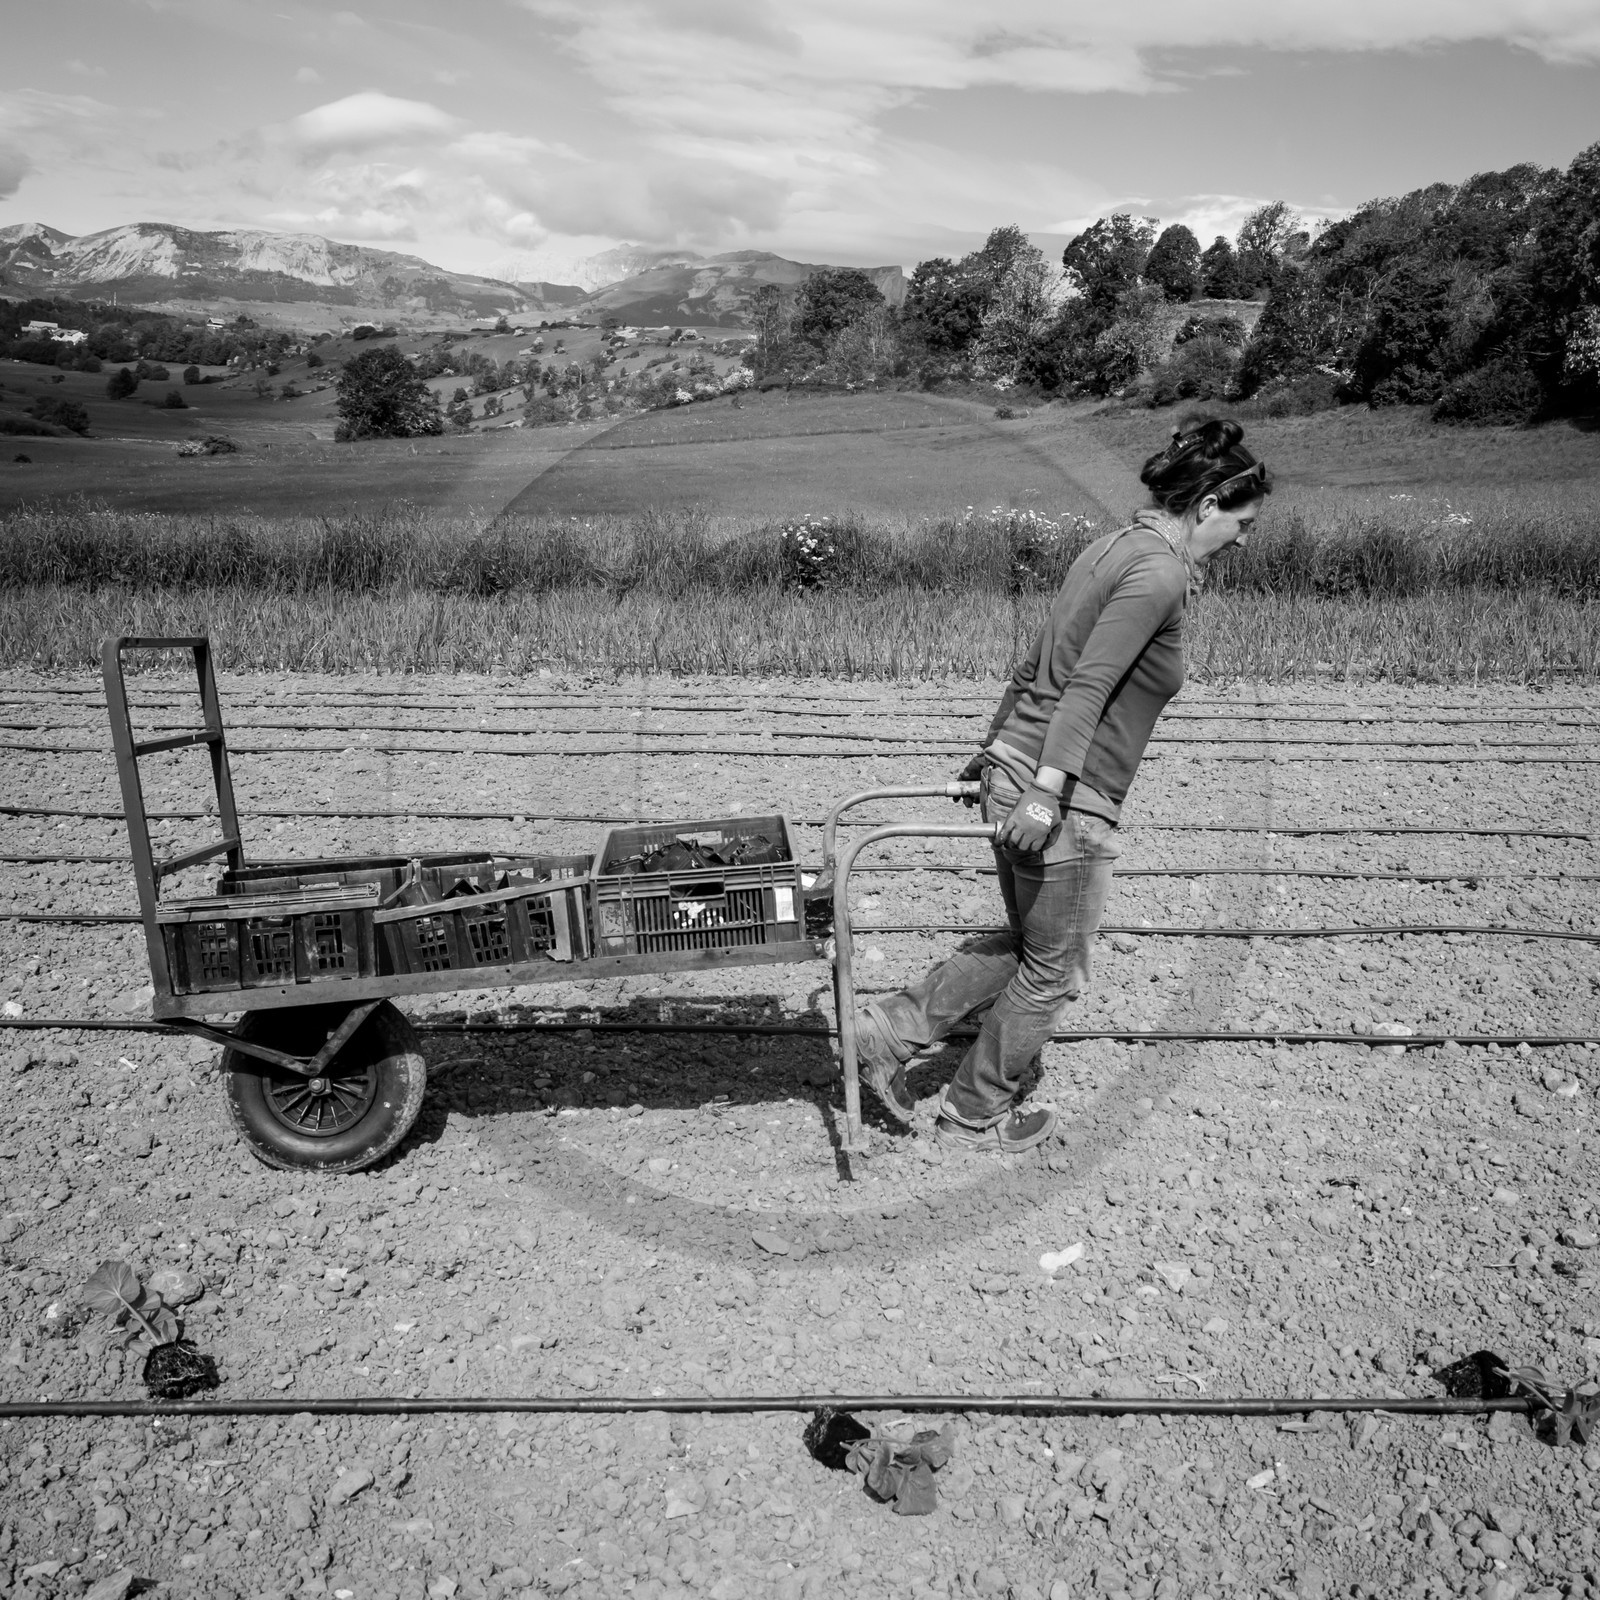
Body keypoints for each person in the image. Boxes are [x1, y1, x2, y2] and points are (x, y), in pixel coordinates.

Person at [855, 416, 1271, 1153]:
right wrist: (1047, 791)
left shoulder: (1110, 547)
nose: (1243, 539)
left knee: (1029, 943)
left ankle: (890, 1031)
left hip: (1018, 768)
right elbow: (1087, 685)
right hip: (1064, 794)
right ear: (1206, 504)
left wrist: (993, 749)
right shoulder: (1160, 572)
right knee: (1053, 969)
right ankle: (975, 1109)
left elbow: (1033, 665)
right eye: (1240, 522)